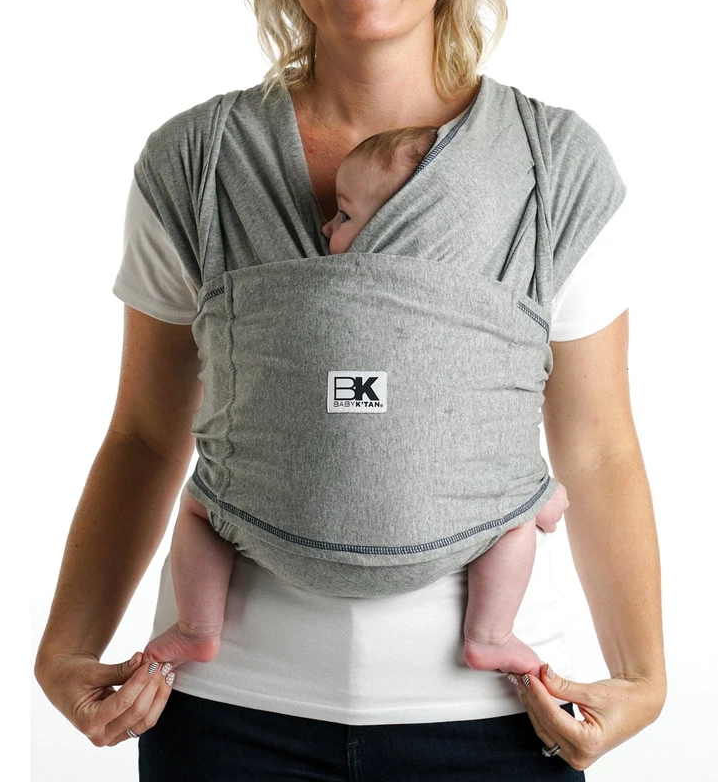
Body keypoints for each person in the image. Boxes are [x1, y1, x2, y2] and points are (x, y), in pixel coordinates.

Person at [34, 0, 667, 778]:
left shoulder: (552, 168)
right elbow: (146, 434)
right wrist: (62, 647)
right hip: (226, 711)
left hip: (494, 717)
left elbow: (596, 445)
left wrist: (644, 676)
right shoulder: (197, 163)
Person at [139, 124, 571, 681]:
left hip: (269, 534)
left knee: (200, 508)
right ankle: (490, 634)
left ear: (396, 227)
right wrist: (537, 492)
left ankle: (199, 626)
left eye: (343, 215)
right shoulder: (468, 305)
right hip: (450, 540)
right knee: (514, 517)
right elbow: (488, 422)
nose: (326, 225)